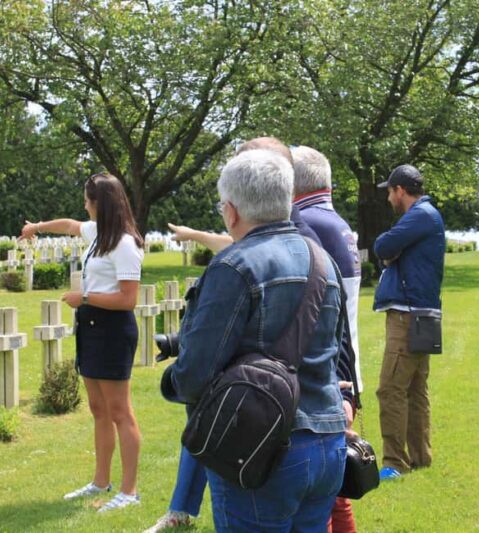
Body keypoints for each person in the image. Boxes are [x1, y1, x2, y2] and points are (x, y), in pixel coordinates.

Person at [146, 137, 357, 532]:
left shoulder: (234, 265)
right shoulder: (321, 259)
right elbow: (335, 349)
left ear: (230, 211)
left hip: (263, 444)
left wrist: (169, 383)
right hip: (326, 440)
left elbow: (195, 372)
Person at [20, 172, 144, 513]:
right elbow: (71, 225)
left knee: (120, 412)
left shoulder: (124, 243)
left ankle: (129, 491)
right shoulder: (98, 233)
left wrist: (85, 296)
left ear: (99, 203)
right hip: (91, 326)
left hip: (114, 330)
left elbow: (128, 299)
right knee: (98, 409)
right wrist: (38, 226)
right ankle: (100, 481)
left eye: (87, 199)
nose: (84, 205)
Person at [291, 145, 362, 533]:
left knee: (322, 499)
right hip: (345, 365)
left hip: (327, 372)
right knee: (335, 491)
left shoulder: (308, 223)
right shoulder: (335, 221)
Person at [372, 164, 445, 480]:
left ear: (400, 190)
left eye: (389, 191)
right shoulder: (427, 216)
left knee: (390, 388)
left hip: (408, 314)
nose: (388, 198)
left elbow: (382, 247)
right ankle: (420, 457)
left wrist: (392, 252)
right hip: (424, 313)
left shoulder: (419, 216)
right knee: (415, 389)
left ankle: (394, 463)